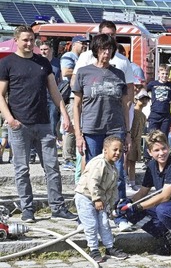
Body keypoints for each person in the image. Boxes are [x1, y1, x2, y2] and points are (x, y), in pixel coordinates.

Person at [0, 25, 76, 222]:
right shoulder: (7, 63)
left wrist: (64, 115)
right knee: (22, 169)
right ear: (16, 40)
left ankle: (57, 207)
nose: (29, 43)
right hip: (19, 124)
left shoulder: (42, 62)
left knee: (52, 167)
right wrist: (9, 118)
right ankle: (27, 209)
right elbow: (0, 94)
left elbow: (54, 90)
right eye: (25, 39)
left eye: (31, 39)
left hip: (43, 124)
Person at [74, 20, 135, 205]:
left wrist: (128, 133)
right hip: (92, 128)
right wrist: (78, 134)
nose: (106, 53)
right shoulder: (84, 71)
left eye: (110, 49)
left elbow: (126, 104)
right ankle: (91, 207)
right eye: (103, 49)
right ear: (96, 50)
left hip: (115, 127)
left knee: (117, 170)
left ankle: (119, 210)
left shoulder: (119, 73)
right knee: (94, 169)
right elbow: (76, 105)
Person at [122, 130, 171, 259]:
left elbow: (165, 196)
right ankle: (168, 239)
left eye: (164, 148)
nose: (161, 153)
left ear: (168, 147)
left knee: (163, 210)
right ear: (149, 152)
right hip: (166, 208)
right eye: (156, 150)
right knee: (131, 212)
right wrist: (127, 204)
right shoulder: (152, 165)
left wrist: (139, 206)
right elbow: (142, 192)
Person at [74, 135, 129, 262]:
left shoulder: (113, 167)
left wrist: (112, 204)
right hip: (86, 197)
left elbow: (113, 189)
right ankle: (93, 249)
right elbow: (93, 182)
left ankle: (110, 247)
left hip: (101, 200)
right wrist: (97, 199)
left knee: (104, 224)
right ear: (105, 150)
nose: (118, 153)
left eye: (120, 151)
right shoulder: (99, 163)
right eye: (114, 150)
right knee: (91, 224)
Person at [60, 35, 88, 171]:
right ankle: (67, 158)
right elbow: (65, 72)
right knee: (71, 127)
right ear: (74, 44)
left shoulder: (83, 57)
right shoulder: (68, 56)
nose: (84, 46)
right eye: (82, 43)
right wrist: (81, 72)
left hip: (81, 96)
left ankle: (74, 156)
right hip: (71, 97)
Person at [146, 64, 171, 137]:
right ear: (158, 74)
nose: (165, 76)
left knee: (163, 137)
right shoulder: (153, 84)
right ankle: (148, 149)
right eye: (163, 74)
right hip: (154, 114)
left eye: (167, 74)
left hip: (166, 115)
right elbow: (144, 91)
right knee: (151, 137)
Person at [127, 89, 150, 190]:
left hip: (137, 141)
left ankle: (132, 182)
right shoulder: (132, 112)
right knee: (127, 162)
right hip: (130, 139)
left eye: (146, 99)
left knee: (133, 162)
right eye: (142, 99)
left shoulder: (143, 115)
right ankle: (126, 181)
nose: (144, 101)